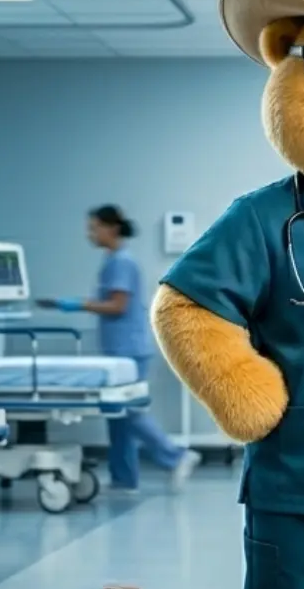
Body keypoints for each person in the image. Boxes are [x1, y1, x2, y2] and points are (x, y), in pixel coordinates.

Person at [44, 205, 201, 490]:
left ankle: (176, 456)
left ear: (111, 228)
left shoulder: (121, 262)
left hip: (128, 350)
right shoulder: (114, 260)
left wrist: (78, 304)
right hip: (121, 348)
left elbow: (118, 305)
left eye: (94, 227)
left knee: (127, 410)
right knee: (117, 417)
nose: (90, 233)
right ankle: (123, 477)